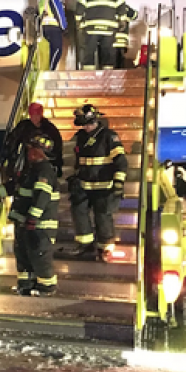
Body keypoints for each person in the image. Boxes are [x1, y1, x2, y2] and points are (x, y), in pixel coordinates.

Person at [64, 105, 128, 260]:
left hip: (104, 186)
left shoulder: (109, 136)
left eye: (87, 124)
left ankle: (105, 247)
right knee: (78, 211)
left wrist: (118, 183)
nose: (85, 127)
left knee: (103, 216)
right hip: (84, 184)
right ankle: (85, 244)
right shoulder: (81, 136)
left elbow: (121, 162)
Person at [7, 135, 60, 296]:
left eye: (31, 150)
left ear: (39, 152)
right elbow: (16, 188)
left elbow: (42, 197)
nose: (28, 153)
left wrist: (33, 217)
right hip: (26, 223)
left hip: (39, 225)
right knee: (23, 255)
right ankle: (25, 284)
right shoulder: (31, 170)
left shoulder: (44, 171)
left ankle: (47, 288)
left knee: (40, 257)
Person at [75, 0, 132, 70]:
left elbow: (79, 9)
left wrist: (78, 21)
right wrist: (122, 21)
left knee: (89, 51)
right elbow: (122, 8)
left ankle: (89, 74)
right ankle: (107, 74)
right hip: (109, 29)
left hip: (91, 28)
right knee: (108, 52)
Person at [4, 102, 64, 179]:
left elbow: (57, 148)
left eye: (37, 115)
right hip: (27, 165)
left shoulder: (50, 130)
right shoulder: (24, 127)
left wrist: (57, 165)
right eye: (32, 115)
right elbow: (13, 141)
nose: (34, 118)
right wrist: (12, 160)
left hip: (45, 165)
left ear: (41, 115)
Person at [38, 0, 68, 71]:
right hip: (54, 28)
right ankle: (51, 69)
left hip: (44, 28)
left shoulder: (42, 0)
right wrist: (64, 27)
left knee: (50, 50)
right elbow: (58, 14)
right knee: (57, 50)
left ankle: (49, 68)